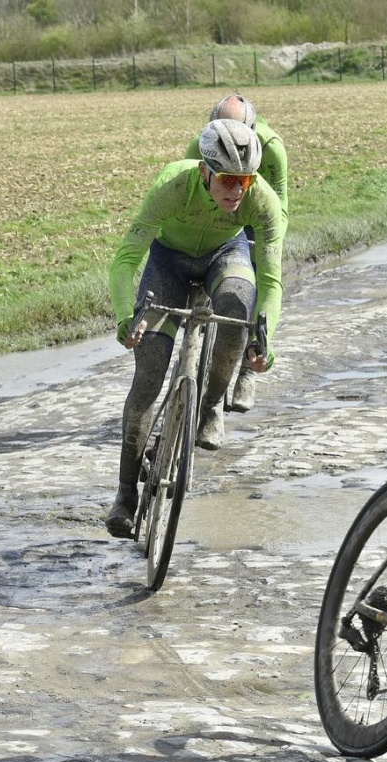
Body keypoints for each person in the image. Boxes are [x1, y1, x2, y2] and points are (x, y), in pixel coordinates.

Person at [104, 118, 284, 538]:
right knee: (149, 376)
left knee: (239, 309)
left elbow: (272, 279)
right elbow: (125, 259)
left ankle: (209, 407)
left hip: (226, 254)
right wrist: (123, 318)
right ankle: (126, 494)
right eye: (227, 179)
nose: (237, 190)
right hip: (168, 262)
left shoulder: (263, 200)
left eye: (245, 180)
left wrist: (266, 339)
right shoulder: (171, 184)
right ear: (204, 170)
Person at [185, 94, 288, 415]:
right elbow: (190, 196)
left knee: (253, 279)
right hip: (218, 213)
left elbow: (278, 210)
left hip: (255, 212)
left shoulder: (271, 148)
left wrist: (268, 247)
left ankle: (246, 366)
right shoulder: (199, 148)